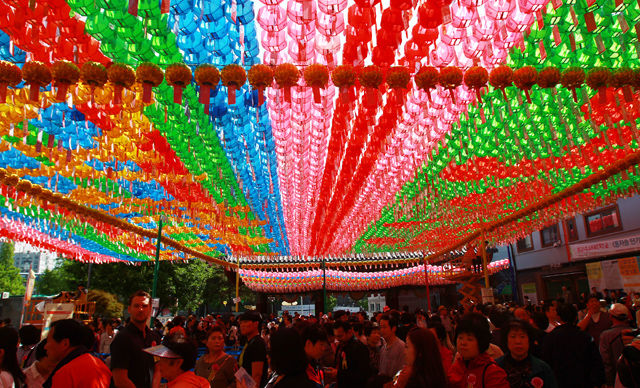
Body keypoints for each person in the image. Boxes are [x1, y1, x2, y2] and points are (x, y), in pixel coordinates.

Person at [541, 304, 606, 388]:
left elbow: (546, 362)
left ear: (559, 318)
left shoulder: (549, 338)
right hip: (584, 381)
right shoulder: (585, 336)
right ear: (576, 318)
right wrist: (600, 382)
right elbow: (596, 361)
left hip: (559, 382)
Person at [111, 290, 162, 388]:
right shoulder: (122, 338)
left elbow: (157, 369)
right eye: (136, 306)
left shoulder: (154, 337)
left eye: (144, 306)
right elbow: (120, 380)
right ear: (129, 309)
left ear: (150, 309)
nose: (141, 309)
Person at [42, 319, 112, 388]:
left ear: (65, 343)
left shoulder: (66, 373)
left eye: (48, 341)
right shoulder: (100, 365)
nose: (45, 347)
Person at [447, 313, 509, 388]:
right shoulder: (456, 367)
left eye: (469, 339)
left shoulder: (492, 372)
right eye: (460, 337)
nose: (463, 343)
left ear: (481, 341)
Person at [495, 319, 558, 388]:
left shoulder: (543, 368)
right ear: (506, 340)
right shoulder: (496, 367)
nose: (518, 341)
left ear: (529, 340)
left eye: (522, 336)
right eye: (513, 336)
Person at [144, 333, 209, 387]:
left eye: (163, 359)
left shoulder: (182, 385)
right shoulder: (191, 380)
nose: (159, 363)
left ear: (178, 362)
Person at [324, 320, 373, 387]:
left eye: (340, 336)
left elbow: (363, 374)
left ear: (349, 332)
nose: (338, 339)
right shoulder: (341, 345)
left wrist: (339, 374)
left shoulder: (359, 348)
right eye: (336, 336)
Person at [599, 303, 633, 388]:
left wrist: (609, 383)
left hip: (616, 380)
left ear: (611, 316)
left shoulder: (606, 335)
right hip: (634, 379)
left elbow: (606, 362)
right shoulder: (633, 333)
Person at [238, 311, 268, 388]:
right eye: (241, 323)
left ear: (256, 324)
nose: (242, 325)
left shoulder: (257, 343)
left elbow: (257, 375)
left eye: (245, 322)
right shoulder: (250, 342)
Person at [379, 314, 406, 378]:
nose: (382, 330)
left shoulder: (401, 347)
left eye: (384, 327)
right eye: (380, 327)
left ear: (394, 328)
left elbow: (401, 372)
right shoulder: (383, 349)